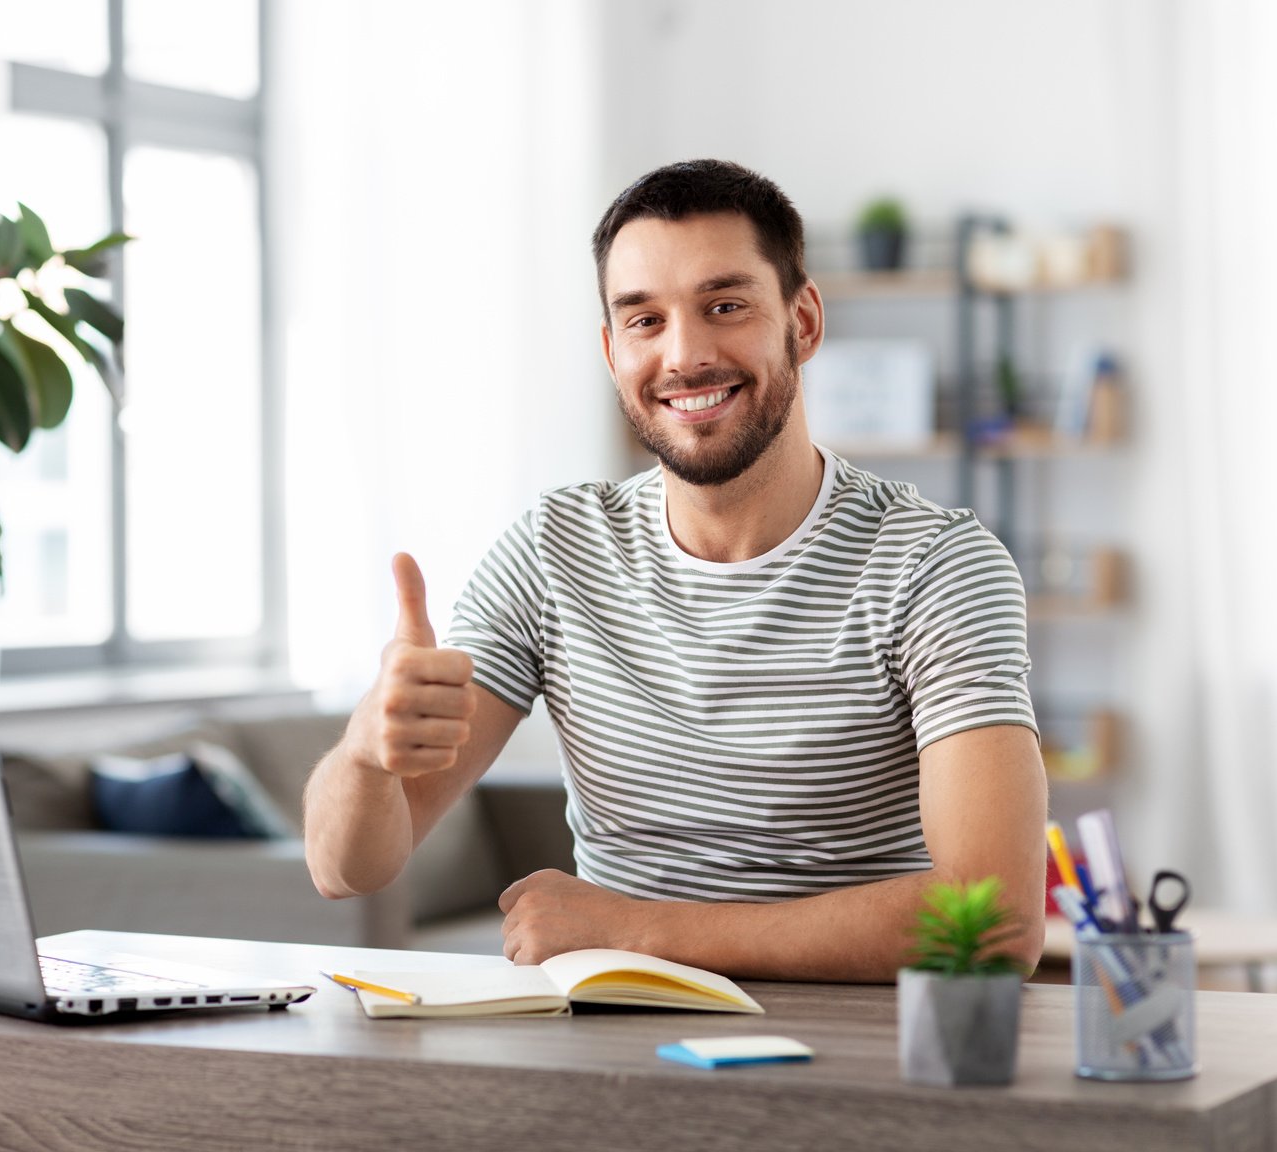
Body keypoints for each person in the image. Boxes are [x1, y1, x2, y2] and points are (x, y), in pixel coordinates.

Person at [304, 159, 1047, 982]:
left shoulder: (936, 564)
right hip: (607, 1054)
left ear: (802, 322)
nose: (685, 355)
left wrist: (638, 930)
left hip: (857, 1063)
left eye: (724, 307)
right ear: (611, 349)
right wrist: (366, 753)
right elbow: (345, 871)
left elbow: (995, 923)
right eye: (644, 320)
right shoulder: (554, 552)